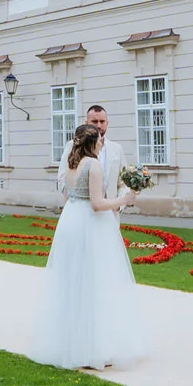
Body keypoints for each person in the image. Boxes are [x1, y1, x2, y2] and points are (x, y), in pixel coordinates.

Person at [29, 121, 149, 370]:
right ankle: (94, 348)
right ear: (93, 142)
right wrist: (123, 199)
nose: (103, 141)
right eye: (100, 139)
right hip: (90, 224)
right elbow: (97, 203)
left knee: (75, 282)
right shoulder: (93, 164)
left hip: (71, 220)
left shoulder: (72, 164)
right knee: (96, 282)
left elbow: (68, 195)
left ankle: (71, 343)